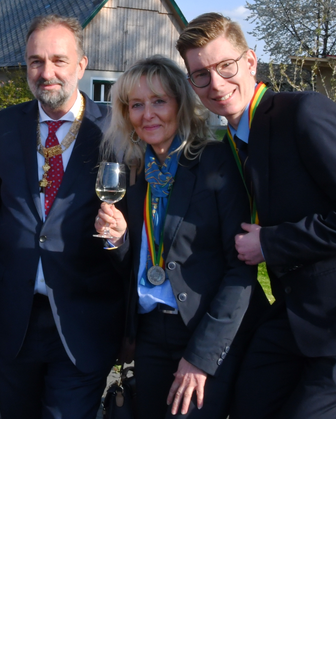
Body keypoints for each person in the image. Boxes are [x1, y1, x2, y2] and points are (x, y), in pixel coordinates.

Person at [177, 13, 336, 418]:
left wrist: (269, 243)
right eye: (201, 75)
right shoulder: (231, 141)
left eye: (225, 67)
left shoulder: (304, 112)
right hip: (296, 311)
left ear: (251, 62)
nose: (216, 83)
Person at [0, 15, 125, 419]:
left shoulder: (116, 128)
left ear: (82, 65)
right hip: (12, 322)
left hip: (84, 322)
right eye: (35, 61)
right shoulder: (5, 125)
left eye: (59, 60)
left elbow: (133, 232)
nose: (47, 72)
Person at [96, 56, 263, 418]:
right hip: (153, 332)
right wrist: (119, 241)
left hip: (206, 330)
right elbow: (141, 267)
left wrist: (201, 358)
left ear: (180, 104)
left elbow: (240, 270)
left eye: (159, 101)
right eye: (136, 105)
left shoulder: (216, 163)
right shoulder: (137, 171)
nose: (148, 114)